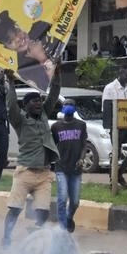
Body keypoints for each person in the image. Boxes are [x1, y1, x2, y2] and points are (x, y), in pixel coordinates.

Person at [1, 65, 62, 248]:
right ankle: (6, 239)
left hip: (44, 174)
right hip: (25, 172)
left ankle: (35, 237)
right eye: (34, 101)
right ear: (25, 105)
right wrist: (10, 83)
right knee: (14, 209)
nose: (38, 103)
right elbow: (10, 105)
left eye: (39, 100)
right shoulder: (19, 120)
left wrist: (57, 74)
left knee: (43, 212)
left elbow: (53, 94)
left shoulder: (43, 115)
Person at [0, 10, 63, 91]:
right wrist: (42, 58)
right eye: (10, 41)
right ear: (7, 47)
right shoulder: (23, 69)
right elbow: (46, 87)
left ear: (19, 26)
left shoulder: (39, 27)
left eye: (16, 31)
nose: (17, 38)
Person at [51, 99, 88, 232]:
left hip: (76, 169)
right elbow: (52, 145)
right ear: (62, 108)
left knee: (75, 202)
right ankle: (62, 229)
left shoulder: (81, 125)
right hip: (61, 167)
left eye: (71, 104)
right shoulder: (56, 127)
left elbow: (84, 144)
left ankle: (68, 217)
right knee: (62, 198)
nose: (68, 107)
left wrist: (82, 159)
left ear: (75, 108)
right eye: (66, 104)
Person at [102, 65, 127, 189]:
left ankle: (118, 174)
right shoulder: (110, 88)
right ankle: (112, 180)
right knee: (116, 153)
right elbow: (106, 109)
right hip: (116, 126)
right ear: (120, 73)